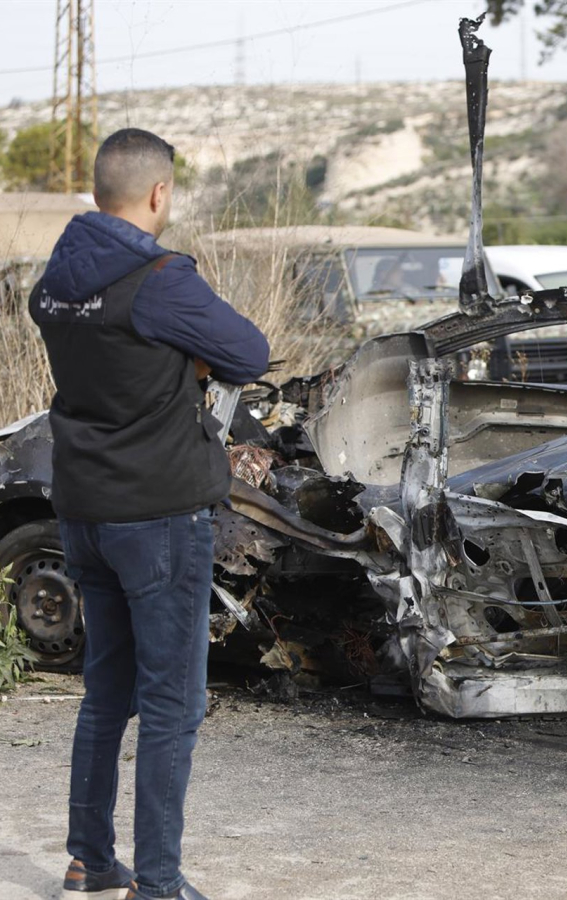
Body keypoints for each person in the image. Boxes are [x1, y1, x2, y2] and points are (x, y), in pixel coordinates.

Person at [30, 128, 269, 900]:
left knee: (107, 692)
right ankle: (159, 884)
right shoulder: (160, 280)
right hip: (159, 515)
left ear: (101, 191)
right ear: (160, 193)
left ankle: (90, 861)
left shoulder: (57, 279)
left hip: (85, 511)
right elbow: (250, 353)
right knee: (173, 703)